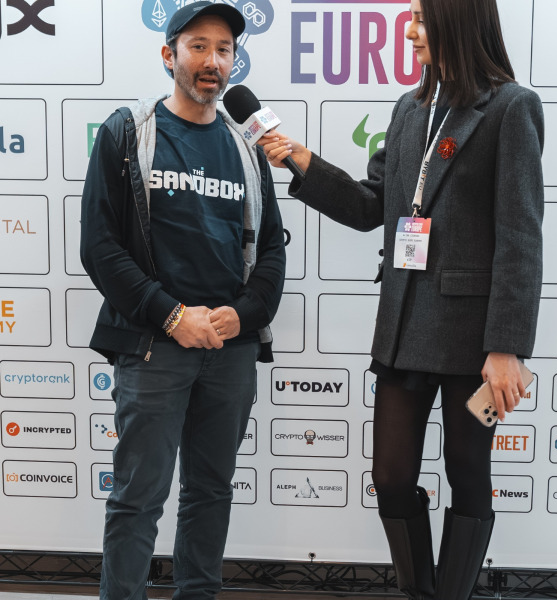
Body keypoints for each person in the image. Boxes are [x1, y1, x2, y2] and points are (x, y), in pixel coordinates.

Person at [259, 0, 543, 598]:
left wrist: (507, 348)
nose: (409, 31)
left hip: (476, 346)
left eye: (420, 17)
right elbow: (372, 206)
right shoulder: (410, 108)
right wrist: (301, 161)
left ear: (457, 19)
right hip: (403, 329)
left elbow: (520, 237)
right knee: (390, 478)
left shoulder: (511, 107)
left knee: (468, 474)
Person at [80, 3, 285, 599]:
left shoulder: (247, 148)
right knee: (137, 497)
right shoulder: (128, 133)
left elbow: (272, 250)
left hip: (229, 349)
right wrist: (171, 315)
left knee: (210, 492)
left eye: (224, 49)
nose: (213, 61)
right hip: (154, 345)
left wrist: (243, 314)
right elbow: (100, 246)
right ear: (169, 55)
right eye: (199, 46)